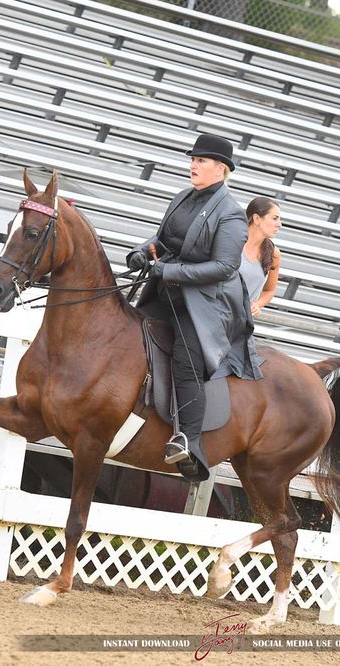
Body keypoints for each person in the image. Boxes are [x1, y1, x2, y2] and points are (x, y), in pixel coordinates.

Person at [126, 133, 262, 481]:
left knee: (186, 358)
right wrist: (143, 251)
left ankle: (188, 439)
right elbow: (163, 238)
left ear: (221, 169)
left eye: (201, 161)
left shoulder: (231, 214)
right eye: (193, 159)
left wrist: (169, 270)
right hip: (166, 291)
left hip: (205, 305)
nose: (193, 165)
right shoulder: (184, 197)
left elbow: (224, 268)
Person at [239, 196, 281, 318]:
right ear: (257, 218)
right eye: (275, 218)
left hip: (239, 324)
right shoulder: (232, 241)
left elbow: (269, 290)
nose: (279, 224)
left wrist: (257, 305)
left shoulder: (274, 254)